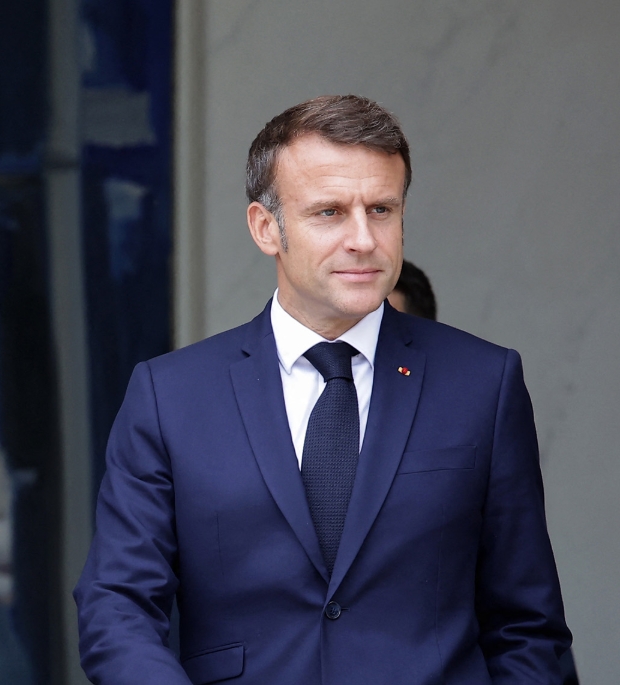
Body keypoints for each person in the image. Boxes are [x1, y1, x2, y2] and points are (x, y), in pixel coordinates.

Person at [75, 95, 570, 683]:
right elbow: (118, 604)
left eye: (381, 209)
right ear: (266, 228)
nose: (363, 239)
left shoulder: (484, 383)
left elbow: (527, 627)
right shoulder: (170, 395)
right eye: (330, 212)